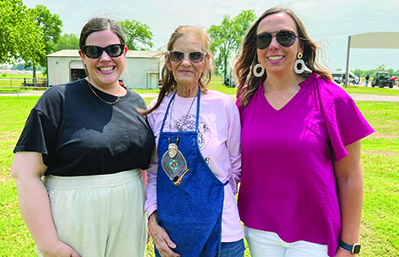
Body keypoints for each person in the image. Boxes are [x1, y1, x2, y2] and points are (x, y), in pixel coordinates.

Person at [234, 7, 374, 257]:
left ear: (300, 46)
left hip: (315, 235)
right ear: (256, 49)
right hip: (259, 231)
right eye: (264, 38)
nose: (273, 45)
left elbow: (350, 177)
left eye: (285, 37)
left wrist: (349, 245)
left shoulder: (332, 98)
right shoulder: (245, 102)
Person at [11, 17, 155, 257]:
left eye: (113, 49)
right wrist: (49, 245)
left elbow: (143, 169)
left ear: (124, 52)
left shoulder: (137, 104)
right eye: (94, 51)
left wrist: (145, 214)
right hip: (74, 218)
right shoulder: (58, 100)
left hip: (129, 218)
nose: (105, 58)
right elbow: (25, 173)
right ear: (83, 56)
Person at [142, 25, 244, 257]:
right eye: (178, 55)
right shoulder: (156, 110)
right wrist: (152, 218)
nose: (186, 62)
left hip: (222, 234)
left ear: (206, 62)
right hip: (173, 237)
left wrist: (206, 202)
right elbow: (154, 171)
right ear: (168, 62)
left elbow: (236, 168)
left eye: (195, 55)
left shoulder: (223, 106)